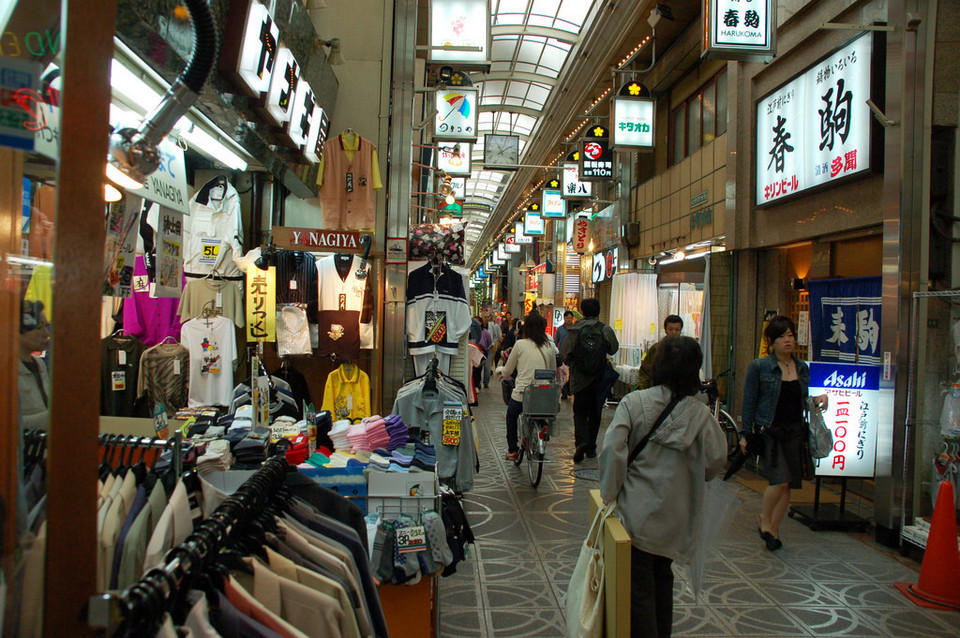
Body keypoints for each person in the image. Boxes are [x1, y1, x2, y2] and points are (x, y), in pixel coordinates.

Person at [599, 336, 726, 638]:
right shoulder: (701, 415)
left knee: (638, 591)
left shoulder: (634, 403)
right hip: (675, 520)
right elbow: (716, 460)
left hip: (636, 516)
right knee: (662, 581)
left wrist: (609, 494)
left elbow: (613, 451)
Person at [740, 315, 828, 551]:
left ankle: (773, 529)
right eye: (781, 336)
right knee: (779, 481)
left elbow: (801, 399)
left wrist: (817, 400)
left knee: (788, 485)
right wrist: (745, 433)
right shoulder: (760, 367)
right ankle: (764, 519)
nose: (787, 340)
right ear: (771, 341)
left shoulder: (801, 367)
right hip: (771, 431)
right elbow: (749, 402)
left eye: (790, 335)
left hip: (795, 432)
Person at [561, 298, 619, 463]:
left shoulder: (575, 330)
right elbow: (614, 349)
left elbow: (565, 353)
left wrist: (574, 361)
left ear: (582, 312)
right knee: (595, 412)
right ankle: (591, 447)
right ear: (598, 311)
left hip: (579, 379)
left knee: (579, 411)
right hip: (598, 379)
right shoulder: (604, 329)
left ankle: (581, 442)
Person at [496, 312, 556, 461]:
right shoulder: (550, 346)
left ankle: (513, 450)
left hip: (523, 393)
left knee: (511, 415)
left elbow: (508, 370)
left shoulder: (520, 344)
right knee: (538, 411)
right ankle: (542, 425)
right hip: (543, 394)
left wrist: (501, 370)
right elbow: (552, 371)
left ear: (526, 328)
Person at [19, 299, 52, 430]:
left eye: (46, 326)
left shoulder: (39, 364)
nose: (46, 334)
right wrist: (51, 418)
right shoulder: (6, 368)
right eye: (39, 327)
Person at [636, 315, 683, 391]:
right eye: (670, 329)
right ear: (665, 330)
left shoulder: (686, 349)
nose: (674, 332)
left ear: (681, 330)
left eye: (677, 329)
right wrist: (643, 389)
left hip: (679, 391)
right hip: (657, 390)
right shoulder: (656, 349)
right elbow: (645, 371)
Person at [554, 311, 575, 398]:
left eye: (570, 318)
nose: (569, 320)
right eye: (567, 318)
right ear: (564, 318)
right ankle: (563, 391)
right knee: (562, 374)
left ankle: (569, 389)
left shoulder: (575, 329)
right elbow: (556, 342)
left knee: (572, 373)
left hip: (573, 355)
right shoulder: (560, 329)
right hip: (562, 355)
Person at [485, 313, 502, 388]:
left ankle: (486, 381)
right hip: (483, 347)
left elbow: (496, 336)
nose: (487, 318)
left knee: (488, 363)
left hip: (490, 346)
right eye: (485, 317)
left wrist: (493, 343)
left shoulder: (493, 326)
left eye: (488, 317)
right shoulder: (481, 326)